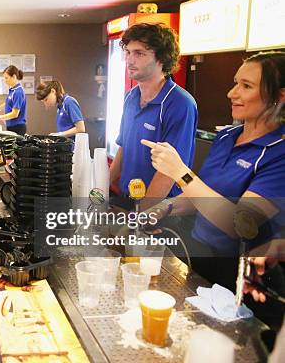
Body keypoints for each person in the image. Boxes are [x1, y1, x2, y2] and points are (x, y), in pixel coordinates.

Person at [143, 51, 284, 325]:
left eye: (246, 86)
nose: (232, 93)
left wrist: (180, 173)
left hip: (244, 278)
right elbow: (202, 195)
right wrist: (165, 206)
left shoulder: (278, 153)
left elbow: (240, 224)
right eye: (235, 83)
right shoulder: (227, 136)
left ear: (280, 97)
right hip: (201, 260)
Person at [109, 23, 198, 203]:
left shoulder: (180, 104)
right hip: (128, 199)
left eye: (139, 53)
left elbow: (169, 173)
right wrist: (101, 189)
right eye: (128, 52)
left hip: (161, 208)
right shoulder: (131, 97)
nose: (130, 60)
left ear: (162, 59)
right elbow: (124, 148)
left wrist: (142, 216)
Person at [0, 65, 27, 135]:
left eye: (6, 78)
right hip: (11, 126)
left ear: (14, 76)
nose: (5, 81)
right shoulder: (13, 90)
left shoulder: (18, 92)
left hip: (17, 127)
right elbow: (8, 101)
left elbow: (15, 114)